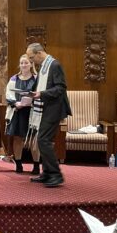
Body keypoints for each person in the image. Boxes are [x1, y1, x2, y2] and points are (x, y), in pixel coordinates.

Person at [26, 43, 72, 187]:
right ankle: (47, 173)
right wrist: (30, 93)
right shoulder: (43, 67)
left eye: (32, 58)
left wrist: (42, 94)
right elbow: (40, 86)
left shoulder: (54, 65)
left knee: (43, 140)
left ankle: (56, 175)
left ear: (39, 53)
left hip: (54, 108)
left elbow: (61, 88)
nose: (32, 61)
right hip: (46, 108)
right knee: (43, 141)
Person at [5, 54, 39, 174]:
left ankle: (36, 166)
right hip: (18, 111)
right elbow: (8, 94)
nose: (24, 65)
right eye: (22, 63)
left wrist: (31, 102)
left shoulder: (36, 78)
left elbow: (40, 94)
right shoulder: (14, 78)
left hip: (32, 112)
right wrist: (15, 103)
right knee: (18, 139)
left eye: (26, 63)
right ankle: (18, 165)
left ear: (31, 64)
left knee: (33, 140)